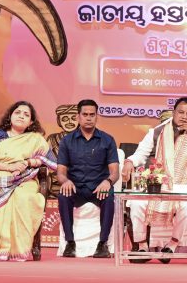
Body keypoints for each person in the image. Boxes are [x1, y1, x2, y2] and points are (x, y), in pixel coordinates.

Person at [121, 97, 187, 263]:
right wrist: (129, 162)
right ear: (174, 112)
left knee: (186, 207)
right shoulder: (157, 132)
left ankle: (171, 246)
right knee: (136, 203)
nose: (184, 117)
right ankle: (142, 247)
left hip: (184, 187)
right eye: (181, 112)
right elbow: (141, 154)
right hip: (159, 185)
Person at [0, 101, 57, 261]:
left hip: (24, 178)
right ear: (10, 116)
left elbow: (53, 163)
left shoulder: (35, 139)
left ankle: (17, 250)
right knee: (1, 202)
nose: (21, 116)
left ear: (31, 122)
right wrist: (9, 167)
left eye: (26, 115)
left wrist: (29, 162)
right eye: (18, 112)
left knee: (23, 198)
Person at [57, 99, 119, 259]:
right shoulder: (67, 141)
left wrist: (107, 182)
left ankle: (102, 244)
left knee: (109, 196)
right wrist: (66, 181)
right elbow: (60, 173)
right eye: (85, 114)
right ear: (78, 117)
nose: (89, 118)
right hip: (76, 188)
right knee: (63, 195)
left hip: (98, 188)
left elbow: (115, 172)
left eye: (92, 114)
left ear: (97, 116)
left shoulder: (107, 140)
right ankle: (70, 243)